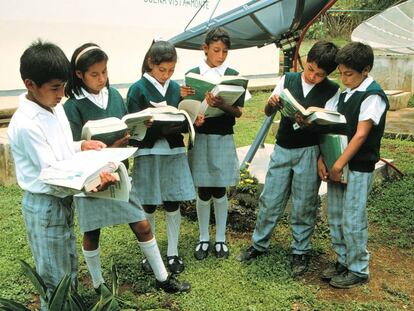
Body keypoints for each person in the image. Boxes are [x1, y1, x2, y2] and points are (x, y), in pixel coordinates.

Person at [63, 43, 190, 293]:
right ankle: (99, 285)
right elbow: (73, 147)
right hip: (91, 180)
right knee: (92, 233)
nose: (102, 79)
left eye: (105, 72)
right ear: (79, 74)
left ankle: (162, 278)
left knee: (141, 224)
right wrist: (98, 146)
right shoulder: (72, 106)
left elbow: (126, 130)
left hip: (118, 172)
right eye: (94, 74)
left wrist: (135, 131)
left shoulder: (114, 97)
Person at [7, 41, 117, 308]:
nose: (61, 94)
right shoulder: (27, 124)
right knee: (55, 282)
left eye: (63, 87)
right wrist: (90, 183)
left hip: (62, 200)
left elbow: (59, 149)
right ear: (30, 84)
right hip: (46, 204)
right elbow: (53, 173)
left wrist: (81, 145)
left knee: (68, 267)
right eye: (55, 88)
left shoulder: (53, 108)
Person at [237, 41, 340, 277]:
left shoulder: (332, 91)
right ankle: (258, 244)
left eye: (319, 74)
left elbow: (330, 127)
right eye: (310, 69)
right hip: (283, 148)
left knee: (305, 203)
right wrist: (270, 104)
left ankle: (300, 250)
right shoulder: (289, 79)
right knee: (270, 198)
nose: (313, 76)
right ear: (306, 61)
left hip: (310, 151)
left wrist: (322, 156)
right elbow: (268, 111)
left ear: (328, 74)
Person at [318, 42, 388, 288]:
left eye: (349, 74)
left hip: (357, 166)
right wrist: (323, 160)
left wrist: (338, 164)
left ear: (365, 70)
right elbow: (328, 124)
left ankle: (358, 268)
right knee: (336, 215)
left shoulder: (372, 96)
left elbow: (360, 135)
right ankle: (343, 260)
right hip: (336, 162)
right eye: (341, 73)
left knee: (353, 217)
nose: (344, 78)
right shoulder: (343, 93)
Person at [126, 41, 196, 274]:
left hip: (173, 151)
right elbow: (133, 129)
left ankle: (173, 252)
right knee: (148, 201)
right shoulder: (137, 89)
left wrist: (190, 119)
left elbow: (182, 118)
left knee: (172, 200)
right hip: (148, 152)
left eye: (171, 71)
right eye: (162, 70)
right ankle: (151, 254)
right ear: (150, 64)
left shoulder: (176, 88)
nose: (166, 76)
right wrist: (153, 127)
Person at [181, 27, 246, 260]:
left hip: (222, 135)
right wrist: (185, 98)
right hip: (200, 136)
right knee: (203, 188)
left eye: (225, 52)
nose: (220, 56)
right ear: (205, 48)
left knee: (219, 187)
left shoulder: (232, 75)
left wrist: (221, 105)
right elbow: (185, 109)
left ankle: (220, 238)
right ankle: (203, 238)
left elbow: (238, 112)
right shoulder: (193, 74)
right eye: (216, 50)